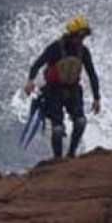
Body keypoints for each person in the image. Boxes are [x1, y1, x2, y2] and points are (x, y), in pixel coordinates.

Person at [23, 15, 102, 158]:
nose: (81, 40)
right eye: (79, 36)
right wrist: (30, 81)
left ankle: (71, 154)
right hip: (53, 91)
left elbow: (92, 74)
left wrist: (97, 98)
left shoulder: (83, 51)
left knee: (80, 121)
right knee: (57, 128)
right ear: (71, 35)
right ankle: (58, 158)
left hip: (73, 90)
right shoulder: (55, 48)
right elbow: (37, 64)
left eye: (83, 37)